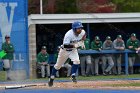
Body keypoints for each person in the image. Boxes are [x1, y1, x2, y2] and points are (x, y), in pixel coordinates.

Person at [48, 21, 86, 87]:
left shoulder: (82, 32)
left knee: (77, 61)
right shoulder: (68, 34)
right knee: (58, 66)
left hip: (73, 50)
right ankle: (51, 78)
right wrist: (76, 45)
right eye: (78, 28)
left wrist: (82, 42)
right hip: (64, 51)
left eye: (80, 28)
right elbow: (66, 46)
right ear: (74, 29)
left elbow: (84, 36)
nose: (80, 29)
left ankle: (73, 75)